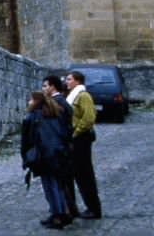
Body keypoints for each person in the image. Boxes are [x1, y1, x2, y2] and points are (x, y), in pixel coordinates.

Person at [21, 91, 72, 229]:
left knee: (50, 185)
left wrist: (26, 158)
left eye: (30, 100)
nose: (29, 102)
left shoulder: (32, 117)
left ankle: (57, 215)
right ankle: (62, 211)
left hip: (44, 155)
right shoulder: (56, 114)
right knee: (57, 184)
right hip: (59, 153)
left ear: (36, 101)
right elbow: (66, 132)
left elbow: (26, 141)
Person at [65, 70, 102, 219]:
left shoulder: (83, 96)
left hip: (81, 138)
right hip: (75, 138)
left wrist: (76, 132)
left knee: (85, 174)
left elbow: (88, 118)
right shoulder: (72, 96)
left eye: (69, 79)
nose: (66, 82)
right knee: (76, 174)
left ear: (77, 81)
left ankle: (93, 208)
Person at [41, 75, 78, 221]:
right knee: (62, 182)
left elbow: (60, 127)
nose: (43, 89)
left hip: (58, 147)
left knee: (60, 182)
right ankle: (65, 211)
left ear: (52, 87)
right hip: (61, 146)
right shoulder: (59, 102)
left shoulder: (58, 103)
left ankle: (63, 212)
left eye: (45, 86)